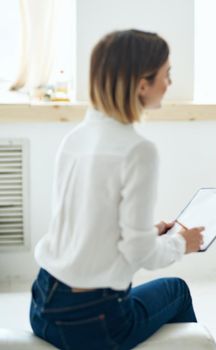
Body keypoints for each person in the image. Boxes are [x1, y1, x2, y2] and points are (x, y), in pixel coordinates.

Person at [29, 29, 205, 349]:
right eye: (167, 74)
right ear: (142, 84)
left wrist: (149, 232)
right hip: (91, 320)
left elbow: (85, 226)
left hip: (43, 303)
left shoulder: (76, 138)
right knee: (176, 290)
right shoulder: (138, 150)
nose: (169, 83)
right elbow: (142, 254)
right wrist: (183, 243)